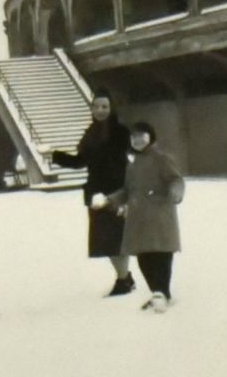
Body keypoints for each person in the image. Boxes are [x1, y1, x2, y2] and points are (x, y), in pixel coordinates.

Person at [50, 89, 135, 296]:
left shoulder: (121, 132)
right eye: (96, 106)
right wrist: (55, 156)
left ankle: (123, 280)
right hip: (96, 192)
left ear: (111, 108)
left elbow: (130, 158)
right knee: (105, 241)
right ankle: (125, 277)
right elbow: (81, 161)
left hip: (116, 191)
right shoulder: (90, 133)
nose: (100, 110)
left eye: (104, 106)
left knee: (116, 239)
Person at [101, 122, 184, 312]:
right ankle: (158, 293)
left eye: (142, 136)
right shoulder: (133, 164)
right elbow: (128, 191)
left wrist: (176, 192)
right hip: (138, 218)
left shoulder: (162, 159)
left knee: (161, 255)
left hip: (159, 215)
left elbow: (176, 179)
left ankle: (161, 293)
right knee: (144, 258)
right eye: (134, 137)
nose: (137, 140)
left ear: (151, 137)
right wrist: (109, 200)